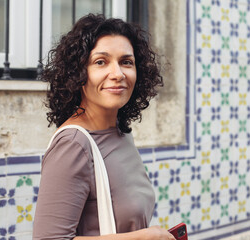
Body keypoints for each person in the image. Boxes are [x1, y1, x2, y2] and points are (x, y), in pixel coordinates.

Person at [32, 14, 175, 240]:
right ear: (78, 73)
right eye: (101, 62)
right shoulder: (73, 145)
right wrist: (142, 237)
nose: (117, 74)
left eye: (126, 62)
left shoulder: (119, 132)